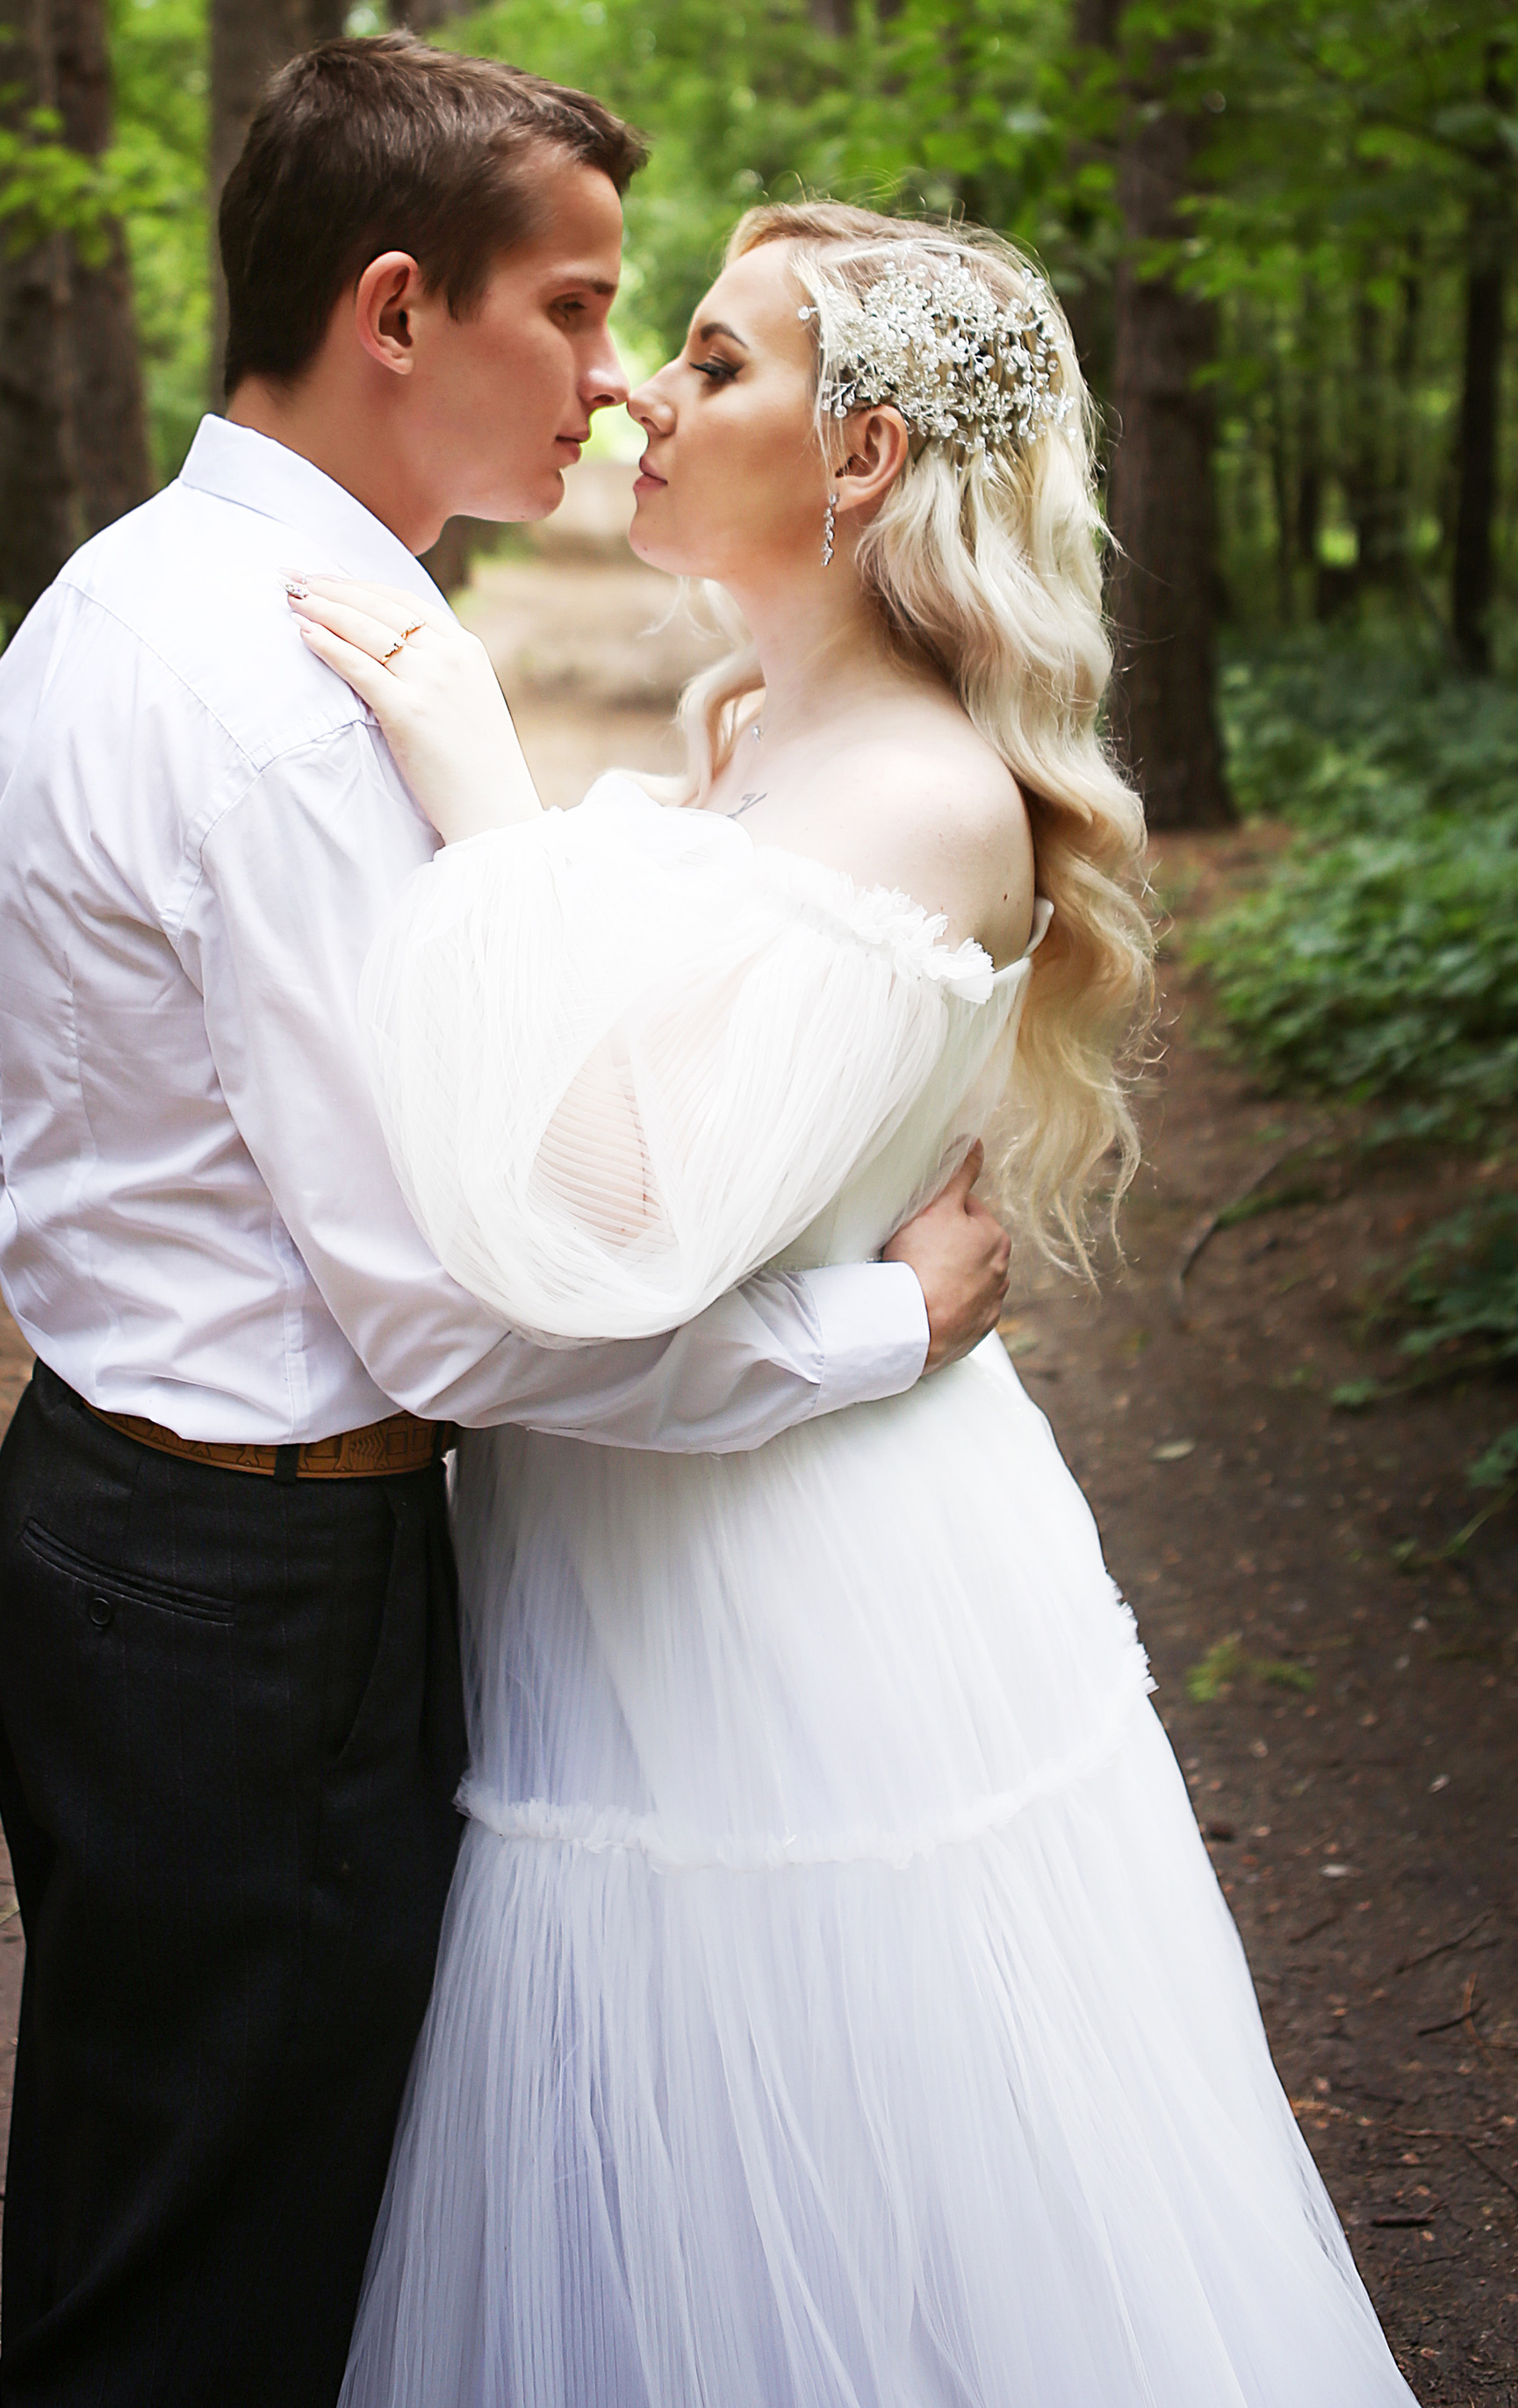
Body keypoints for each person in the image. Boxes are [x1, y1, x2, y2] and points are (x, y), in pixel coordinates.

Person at [0, 46, 1016, 2406]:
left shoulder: (107, 605)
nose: (618, 379)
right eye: (582, 307)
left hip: (105, 1519)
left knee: (145, 2206)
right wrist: (871, 1330)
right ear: (401, 310)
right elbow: (459, 1302)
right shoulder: (296, 710)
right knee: (221, 2294)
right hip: (253, 1596)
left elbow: (10, 1105)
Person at [289, 201, 1421, 2408]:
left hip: (788, 1617)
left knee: (830, 2188)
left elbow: (610, 1229)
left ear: (865, 455)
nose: (635, 389)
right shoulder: (748, 737)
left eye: (709, 363)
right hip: (651, 1559)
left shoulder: (909, 799)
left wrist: (482, 806)